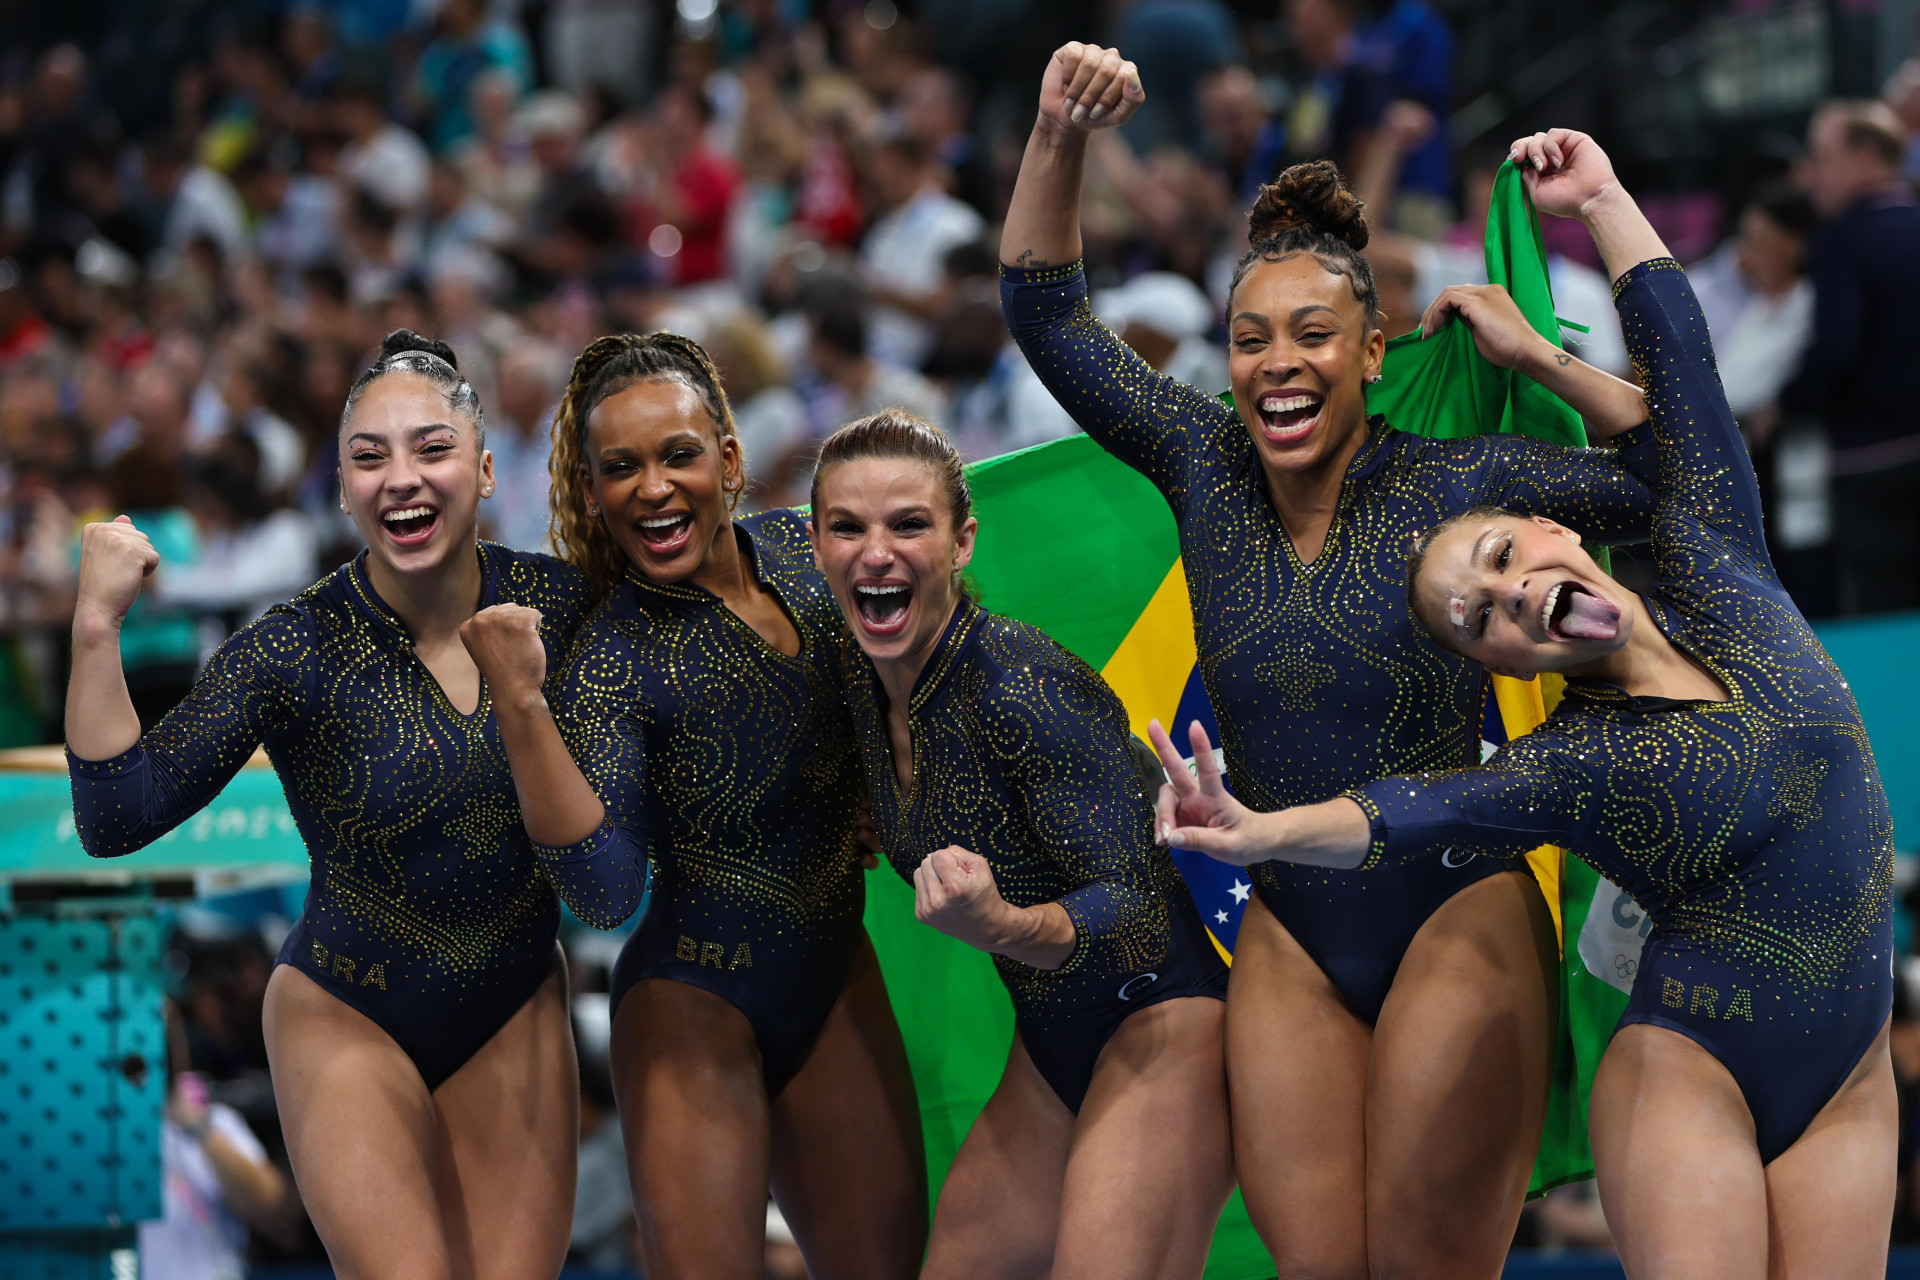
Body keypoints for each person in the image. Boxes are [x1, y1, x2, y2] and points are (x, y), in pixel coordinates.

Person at [1151, 128, 1898, 1279]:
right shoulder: (1574, 760)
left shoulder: (1718, 564)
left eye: (1501, 557)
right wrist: (1258, 831)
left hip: (1852, 1079)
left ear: (1558, 531)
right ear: (1503, 670)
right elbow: (1410, 809)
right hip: (1686, 1069)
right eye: (1479, 618)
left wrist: (1593, 206)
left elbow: (1682, 388)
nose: (1505, 594)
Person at [999, 43, 1659, 1277]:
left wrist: (1534, 358)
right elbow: (1045, 311)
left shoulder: (1453, 480)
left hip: (1456, 898)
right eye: (1251, 338)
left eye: (1314, 333)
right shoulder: (1203, 467)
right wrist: (1058, 131)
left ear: (1373, 350)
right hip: (1293, 925)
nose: (1278, 361)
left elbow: (1672, 477)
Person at [66, 332, 640, 1279]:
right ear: (339, 489)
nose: (400, 478)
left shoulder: (567, 610)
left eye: (431, 448)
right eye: (369, 458)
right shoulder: (296, 646)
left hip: (511, 1005)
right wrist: (95, 629)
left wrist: (528, 700)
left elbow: (613, 878)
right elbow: (117, 814)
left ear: (488, 468)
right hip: (345, 1009)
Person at [458, 332, 927, 1280]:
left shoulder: (812, 549)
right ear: (591, 492)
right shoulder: (611, 658)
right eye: (621, 468)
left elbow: (925, 659)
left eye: (678, 455)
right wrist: (520, 706)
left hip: (836, 975)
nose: (654, 487)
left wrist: (888, 785)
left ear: (730, 458)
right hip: (691, 1012)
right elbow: (601, 888)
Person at [809, 410, 1234, 1279]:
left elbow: (1136, 909)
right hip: (1050, 1043)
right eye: (846, 527)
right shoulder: (853, 672)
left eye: (909, 525)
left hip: (1164, 1023)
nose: (874, 552)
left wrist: (1002, 923)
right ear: (814, 545)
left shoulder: (1020, 686)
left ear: (964, 542)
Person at [1781, 99, 1920, 614]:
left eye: (1820, 158)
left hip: (1871, 463)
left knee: (1887, 617)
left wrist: (1786, 405)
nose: (1809, 177)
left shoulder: (1841, 240)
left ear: (1865, 156)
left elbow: (1836, 351)